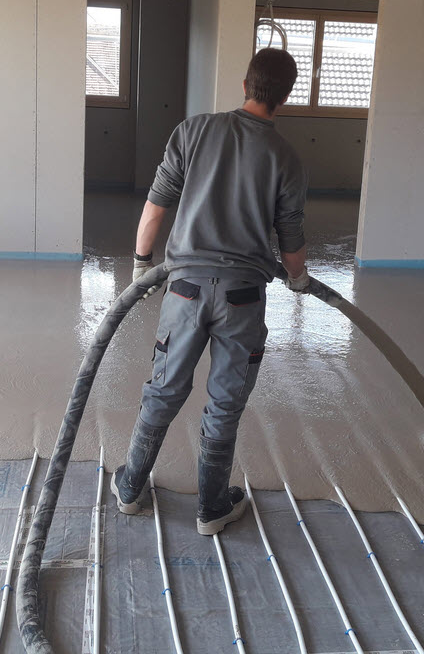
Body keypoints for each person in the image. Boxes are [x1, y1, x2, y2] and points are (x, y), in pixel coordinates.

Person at [112, 47, 310, 536]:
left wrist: (141, 265)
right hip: (243, 297)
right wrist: (298, 279)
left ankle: (131, 488)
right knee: (225, 402)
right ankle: (212, 507)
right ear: (285, 97)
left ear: (245, 84)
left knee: (164, 389)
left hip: (184, 291)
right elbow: (291, 239)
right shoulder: (285, 156)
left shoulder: (193, 131)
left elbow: (156, 206)